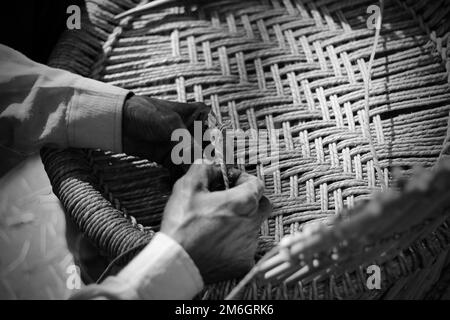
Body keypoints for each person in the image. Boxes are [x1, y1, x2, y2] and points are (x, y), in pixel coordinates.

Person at [0, 5, 271, 300]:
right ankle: (89, 267)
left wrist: (114, 113)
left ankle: (90, 262)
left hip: (45, 29)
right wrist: (176, 260)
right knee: (94, 242)